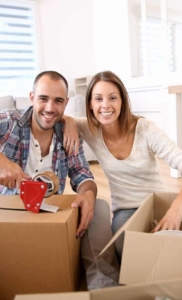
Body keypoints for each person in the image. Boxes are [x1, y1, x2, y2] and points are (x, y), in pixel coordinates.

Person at [63, 70, 182, 263]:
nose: (105, 105)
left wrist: (177, 207)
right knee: (125, 246)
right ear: (90, 104)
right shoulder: (89, 128)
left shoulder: (145, 129)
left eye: (112, 98)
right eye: (98, 99)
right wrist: (69, 121)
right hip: (126, 210)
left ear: (122, 101)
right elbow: (55, 115)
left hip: (160, 202)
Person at [0, 71, 119, 290]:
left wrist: (88, 195)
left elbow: (83, 174)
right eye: (43, 99)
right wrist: (2, 162)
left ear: (65, 104)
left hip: (46, 217)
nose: (50, 108)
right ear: (32, 97)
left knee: (99, 205)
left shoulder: (67, 133)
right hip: (8, 216)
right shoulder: (10, 122)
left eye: (58, 101)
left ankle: (103, 287)